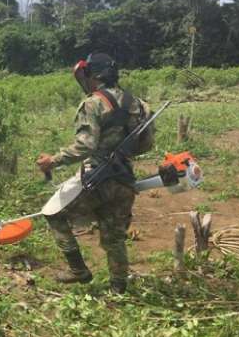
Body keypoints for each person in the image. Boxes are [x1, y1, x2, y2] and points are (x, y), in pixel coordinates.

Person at [36, 53, 155, 294]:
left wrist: (53, 161)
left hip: (97, 179)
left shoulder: (92, 104)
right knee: (115, 238)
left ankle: (78, 270)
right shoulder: (140, 105)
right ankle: (118, 288)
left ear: (94, 76)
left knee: (53, 214)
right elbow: (146, 145)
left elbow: (85, 146)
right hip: (124, 179)